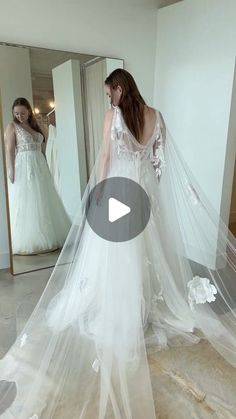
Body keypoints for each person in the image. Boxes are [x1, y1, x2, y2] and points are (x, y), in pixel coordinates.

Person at [0, 71, 236, 418]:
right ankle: (148, 305)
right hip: (144, 195)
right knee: (147, 251)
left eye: (109, 92)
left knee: (114, 254)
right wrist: (149, 188)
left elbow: (106, 161)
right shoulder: (157, 116)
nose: (108, 99)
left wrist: (98, 196)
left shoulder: (113, 116)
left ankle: (123, 309)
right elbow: (160, 161)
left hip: (118, 192)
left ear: (119, 88)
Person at [4, 98, 71, 255]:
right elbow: (10, 151)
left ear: (29, 111)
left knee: (43, 199)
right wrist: (11, 170)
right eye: (16, 113)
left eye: (22, 113)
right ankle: (30, 239)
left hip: (40, 164)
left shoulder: (35, 125)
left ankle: (48, 235)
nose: (19, 116)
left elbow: (45, 144)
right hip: (24, 166)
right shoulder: (12, 126)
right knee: (28, 200)